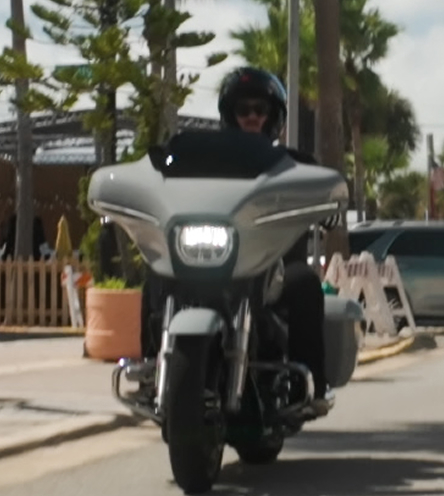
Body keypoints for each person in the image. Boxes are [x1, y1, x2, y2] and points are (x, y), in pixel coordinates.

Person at [137, 67, 332, 399]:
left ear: (274, 116)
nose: (252, 116)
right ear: (230, 114)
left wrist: (328, 205)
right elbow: (161, 182)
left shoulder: (295, 164)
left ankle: (308, 385)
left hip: (272, 267)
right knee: (156, 272)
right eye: (243, 109)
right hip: (208, 256)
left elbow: (324, 190)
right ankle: (150, 367)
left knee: (304, 282)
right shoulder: (199, 161)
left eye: (260, 109)